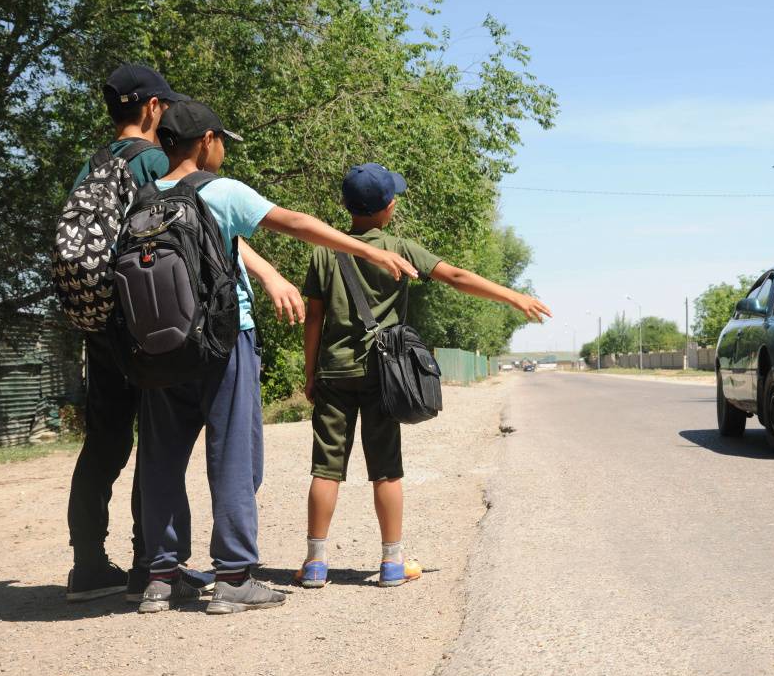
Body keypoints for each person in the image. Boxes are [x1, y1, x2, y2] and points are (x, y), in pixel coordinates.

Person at [136, 102, 420, 615]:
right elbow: (295, 223)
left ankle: (160, 577)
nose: (223, 149)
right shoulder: (220, 191)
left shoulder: (146, 198)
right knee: (234, 457)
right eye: (222, 140)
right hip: (223, 340)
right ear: (205, 141)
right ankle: (233, 577)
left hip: (159, 347)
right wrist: (370, 251)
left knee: (160, 461)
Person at [65, 64, 304, 603]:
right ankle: (182, 568)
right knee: (202, 448)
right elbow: (200, 225)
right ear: (152, 109)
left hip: (115, 321)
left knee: (119, 447)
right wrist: (267, 272)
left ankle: (113, 569)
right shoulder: (157, 163)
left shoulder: (94, 165)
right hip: (185, 326)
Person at [295, 163, 551, 588]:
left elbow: (313, 319)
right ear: (387, 208)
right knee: (386, 468)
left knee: (326, 468)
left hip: (334, 373)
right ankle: (392, 563)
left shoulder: (325, 250)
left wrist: (310, 372)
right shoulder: (400, 248)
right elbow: (455, 276)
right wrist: (511, 295)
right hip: (384, 374)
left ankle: (315, 563)